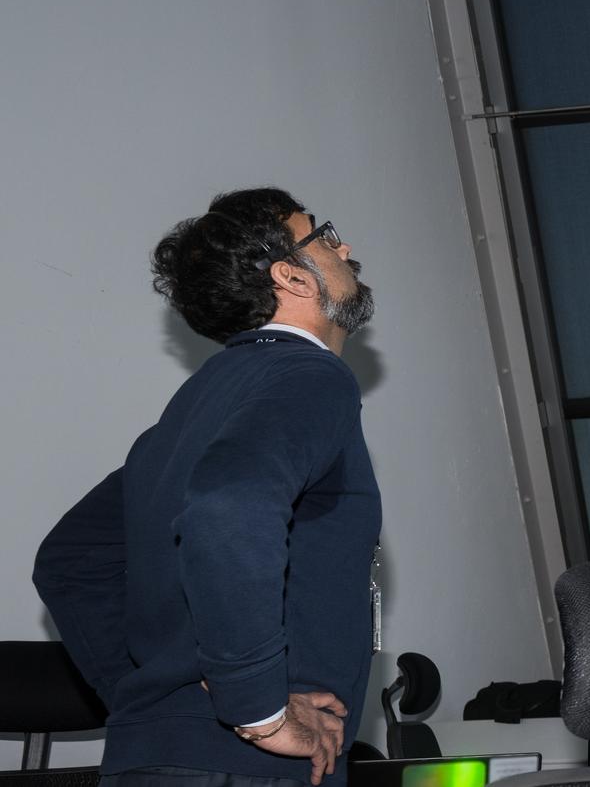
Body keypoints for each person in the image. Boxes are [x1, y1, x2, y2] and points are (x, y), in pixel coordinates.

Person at [34, 189, 380, 787]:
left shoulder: (191, 414)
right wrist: (258, 711)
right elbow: (231, 505)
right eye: (322, 236)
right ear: (290, 277)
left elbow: (70, 560)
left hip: (157, 757)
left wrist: (157, 704)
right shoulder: (310, 376)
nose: (343, 247)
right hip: (248, 767)